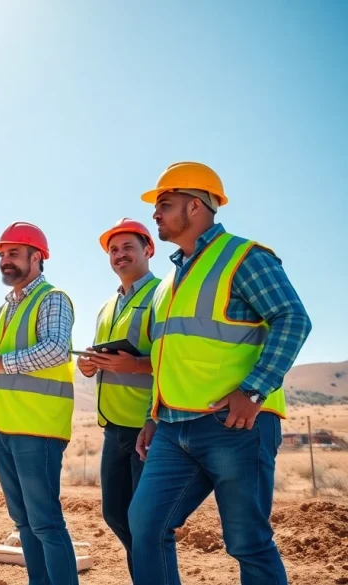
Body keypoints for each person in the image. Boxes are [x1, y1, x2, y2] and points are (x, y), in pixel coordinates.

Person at [128, 162, 311, 585]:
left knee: (247, 541)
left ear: (195, 207)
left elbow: (293, 319)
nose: (156, 214)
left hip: (235, 425)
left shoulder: (244, 257)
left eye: (165, 204)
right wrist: (154, 416)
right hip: (174, 429)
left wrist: (255, 389)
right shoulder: (171, 280)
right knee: (146, 526)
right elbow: (170, 354)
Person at [0, 222, 79, 585]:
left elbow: (55, 348)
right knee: (24, 522)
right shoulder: (1, 312)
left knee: (46, 521)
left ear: (38, 257)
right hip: (4, 429)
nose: (5, 260)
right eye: (2, 255)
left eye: (13, 253)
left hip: (38, 428)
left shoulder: (52, 298)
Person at [76, 218, 159, 581]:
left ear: (148, 250)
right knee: (115, 514)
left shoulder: (162, 294)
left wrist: (137, 364)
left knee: (146, 522)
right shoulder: (108, 306)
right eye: (113, 250)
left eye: (128, 247)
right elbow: (107, 359)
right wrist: (90, 365)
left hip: (148, 425)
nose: (119, 255)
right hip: (114, 427)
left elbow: (176, 358)